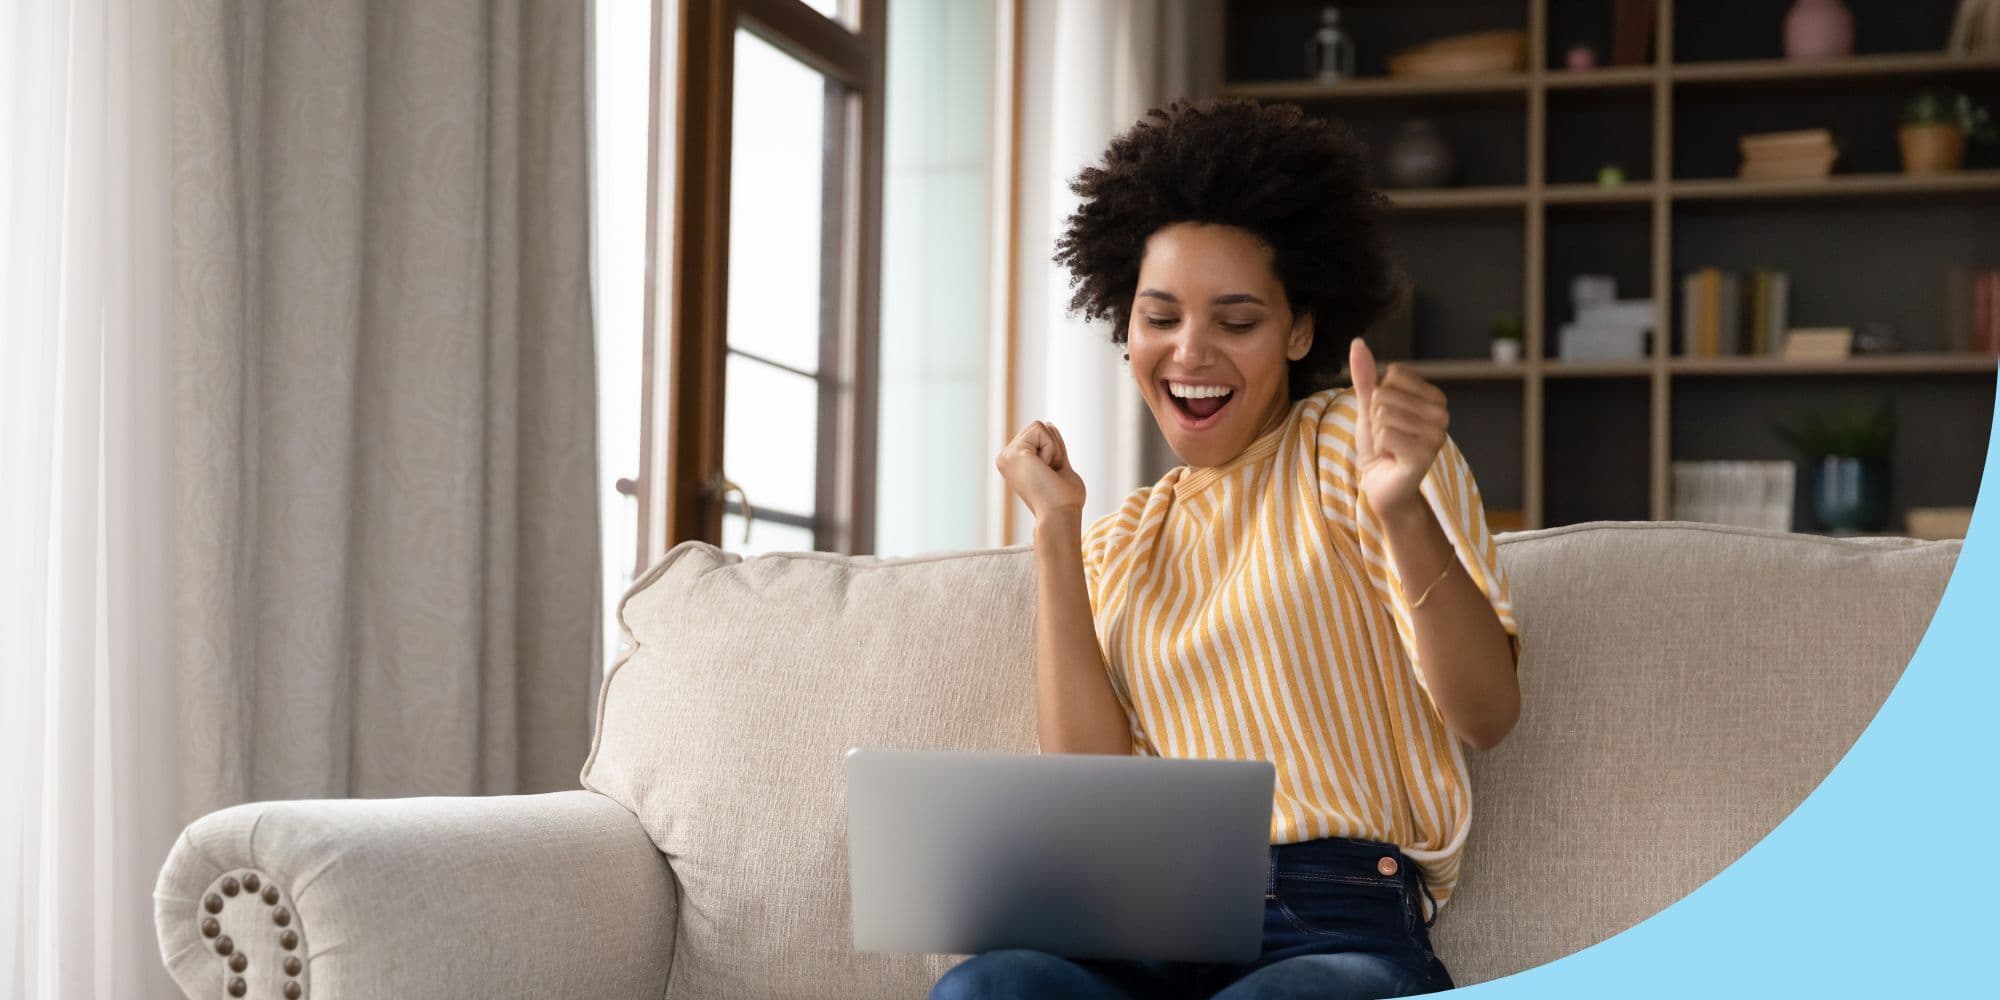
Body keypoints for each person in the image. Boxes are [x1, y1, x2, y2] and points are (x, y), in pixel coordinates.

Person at [933, 99, 1523, 1000]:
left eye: (1236, 321)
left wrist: (1403, 510)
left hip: (1332, 918)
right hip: (1140, 919)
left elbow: (1487, 714)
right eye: (1159, 317)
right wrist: (1056, 531)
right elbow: (1092, 789)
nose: (1190, 351)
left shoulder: (1351, 449)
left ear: (1297, 331)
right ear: (1124, 329)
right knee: (988, 988)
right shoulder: (1123, 538)